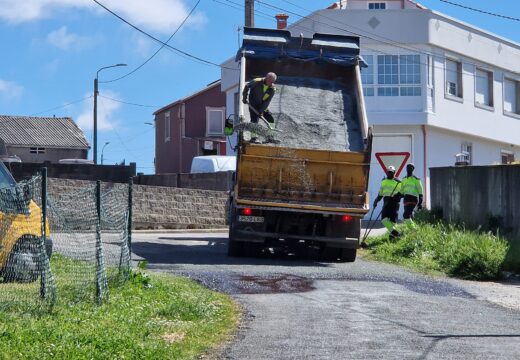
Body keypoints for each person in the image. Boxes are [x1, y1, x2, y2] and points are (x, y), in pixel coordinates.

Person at [373, 166, 402, 239]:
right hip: (386, 202)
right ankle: (396, 232)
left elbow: (403, 193)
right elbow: (381, 193)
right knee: (383, 220)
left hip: (395, 203)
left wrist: (398, 195)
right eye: (388, 172)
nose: (389, 174)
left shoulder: (398, 182)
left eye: (391, 172)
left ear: (394, 173)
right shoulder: (383, 181)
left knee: (393, 221)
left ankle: (392, 237)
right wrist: (376, 201)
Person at [400, 163, 424, 227]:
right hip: (406, 199)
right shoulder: (403, 179)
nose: (409, 168)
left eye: (411, 167)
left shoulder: (416, 179)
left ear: (413, 169)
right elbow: (401, 191)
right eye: (407, 167)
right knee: (409, 215)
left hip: (413, 199)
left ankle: (414, 229)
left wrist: (420, 202)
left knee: (406, 215)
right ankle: (412, 230)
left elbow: (420, 191)